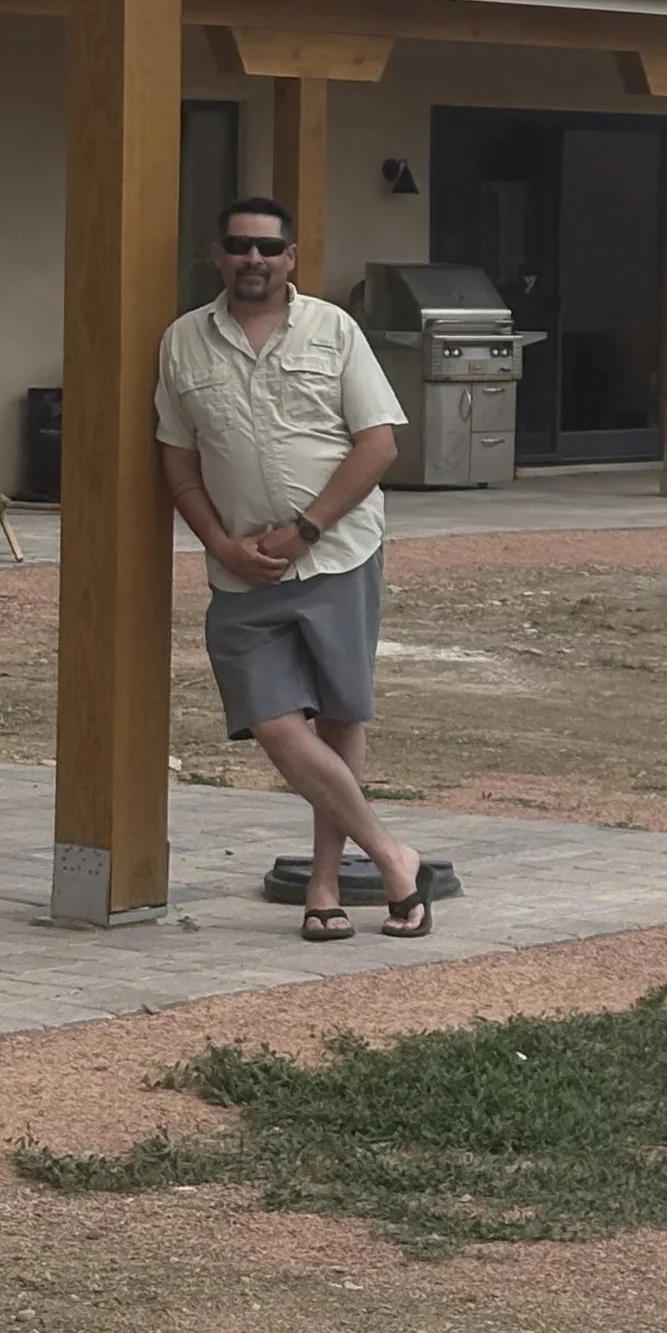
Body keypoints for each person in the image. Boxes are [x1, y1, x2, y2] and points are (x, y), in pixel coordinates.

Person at [155, 196, 436, 943]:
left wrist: (308, 529)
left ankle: (323, 884)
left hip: (338, 554)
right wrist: (219, 543)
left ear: (291, 256)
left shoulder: (334, 330)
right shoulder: (184, 342)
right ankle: (392, 856)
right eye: (240, 246)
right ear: (218, 254)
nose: (254, 259)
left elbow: (378, 445)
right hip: (241, 574)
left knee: (338, 717)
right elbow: (178, 463)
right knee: (278, 725)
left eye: (268, 248)